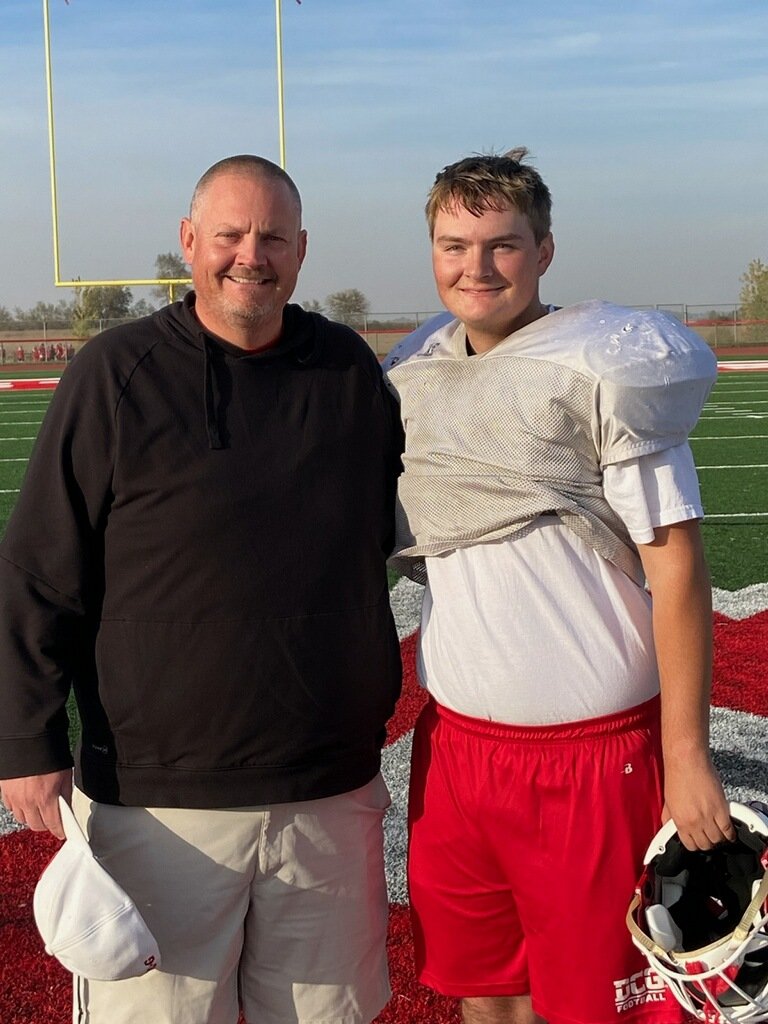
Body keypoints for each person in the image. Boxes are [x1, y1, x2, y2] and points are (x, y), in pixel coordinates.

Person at [0, 155, 403, 1024]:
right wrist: (26, 739)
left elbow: (385, 529)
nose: (250, 255)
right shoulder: (116, 373)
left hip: (328, 791)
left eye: (273, 237)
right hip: (160, 803)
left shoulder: (347, 370)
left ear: (302, 250)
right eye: (230, 234)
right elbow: (38, 567)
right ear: (190, 242)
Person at [383, 148, 733, 1024]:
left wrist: (686, 754)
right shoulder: (414, 369)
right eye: (454, 245)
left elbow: (678, 567)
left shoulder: (603, 364)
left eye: (502, 244)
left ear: (543, 250)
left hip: (592, 757)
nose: (476, 267)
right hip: (458, 751)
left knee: (596, 1006)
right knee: (487, 993)